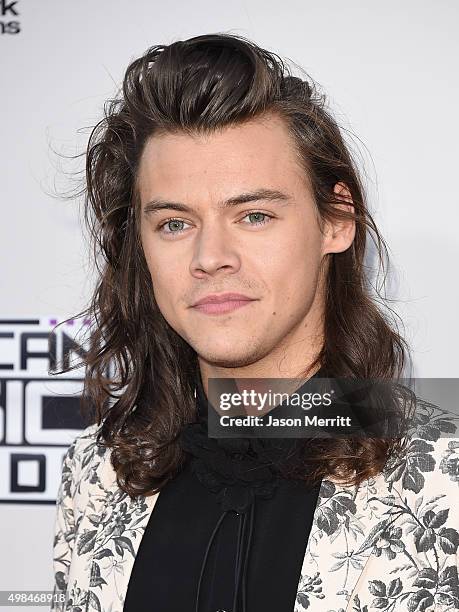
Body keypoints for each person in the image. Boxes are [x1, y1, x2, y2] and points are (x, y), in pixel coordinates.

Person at [50, 33, 459, 612]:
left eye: (254, 215)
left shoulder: (445, 473)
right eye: (173, 223)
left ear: (337, 220)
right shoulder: (100, 470)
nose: (211, 255)